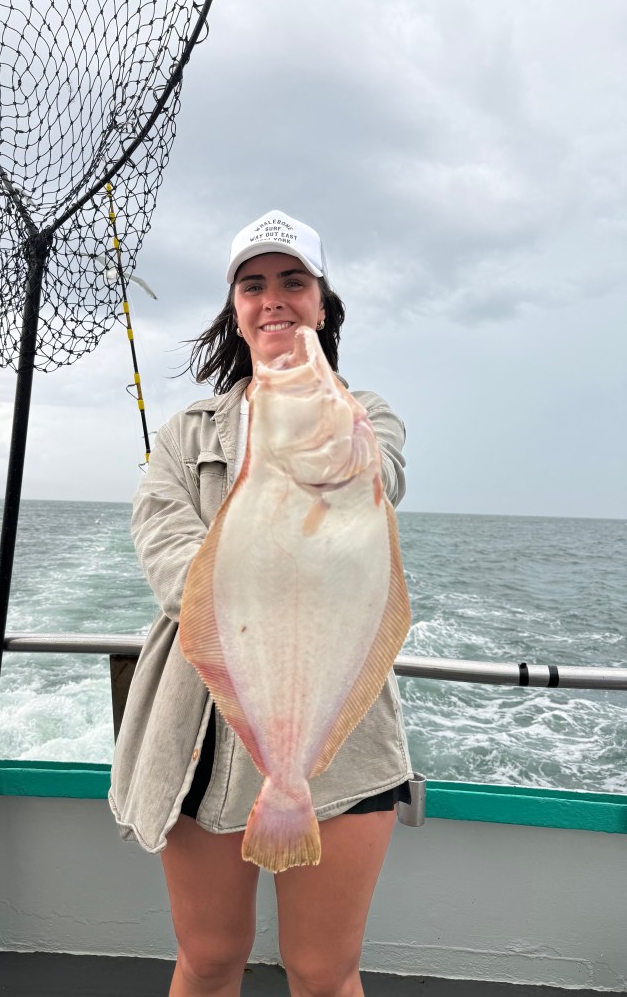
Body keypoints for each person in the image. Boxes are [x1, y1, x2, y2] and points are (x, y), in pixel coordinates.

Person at [110, 209, 411, 997]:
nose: (273, 298)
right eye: (254, 285)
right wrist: (246, 589)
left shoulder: (362, 418)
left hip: (337, 728)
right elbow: (160, 543)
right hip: (200, 728)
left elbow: (384, 486)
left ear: (321, 303)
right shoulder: (184, 436)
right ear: (235, 310)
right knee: (208, 961)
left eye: (293, 282)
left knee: (323, 971)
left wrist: (315, 397)